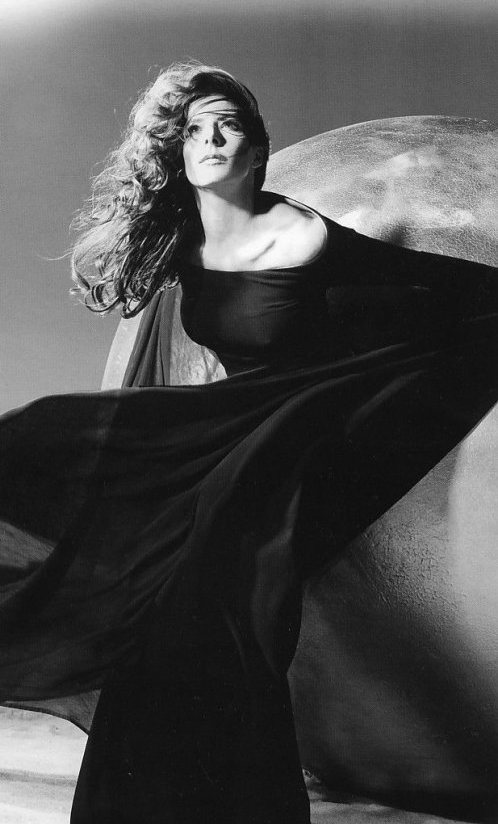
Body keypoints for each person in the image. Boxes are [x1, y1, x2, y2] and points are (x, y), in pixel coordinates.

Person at [0, 61, 497, 824]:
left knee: (225, 587)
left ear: (257, 150)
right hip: (238, 422)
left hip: (318, 419)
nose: (210, 140)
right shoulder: (184, 247)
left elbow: (442, 283)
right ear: (179, 153)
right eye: (194, 130)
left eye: (227, 126)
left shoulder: (300, 231)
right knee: (146, 569)